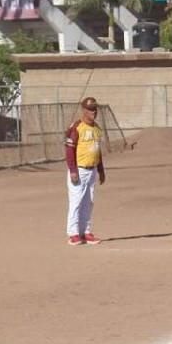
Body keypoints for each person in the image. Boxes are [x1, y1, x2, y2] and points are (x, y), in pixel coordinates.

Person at [64, 96, 107, 246]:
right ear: (83, 110)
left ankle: (85, 231)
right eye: (90, 109)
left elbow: (97, 151)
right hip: (80, 170)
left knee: (88, 202)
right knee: (76, 202)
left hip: (92, 169)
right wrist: (73, 170)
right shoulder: (77, 127)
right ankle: (73, 233)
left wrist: (101, 170)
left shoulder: (97, 129)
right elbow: (69, 150)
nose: (93, 112)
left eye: (95, 109)